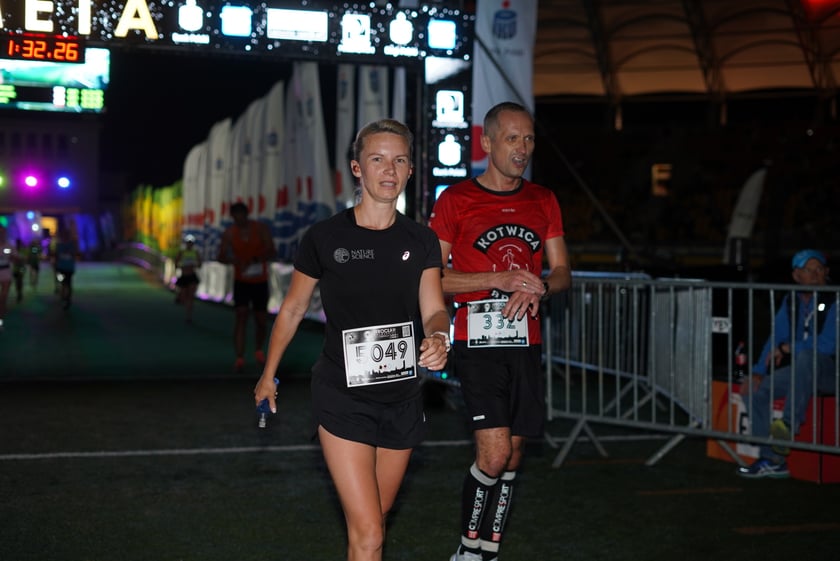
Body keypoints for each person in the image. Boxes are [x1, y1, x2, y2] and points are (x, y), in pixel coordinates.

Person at [254, 119, 450, 561]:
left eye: (399, 160)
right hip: (342, 396)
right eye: (377, 159)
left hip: (403, 397)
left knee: (372, 525)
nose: (389, 170)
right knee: (370, 533)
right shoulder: (325, 237)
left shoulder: (422, 240)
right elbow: (293, 308)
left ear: (410, 169)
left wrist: (440, 335)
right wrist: (269, 375)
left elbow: (434, 309)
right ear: (357, 168)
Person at [429, 102, 571, 561]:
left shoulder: (543, 199)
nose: (522, 148)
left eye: (528, 139)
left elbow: (563, 271)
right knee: (492, 456)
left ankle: (487, 551)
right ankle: (467, 550)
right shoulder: (455, 200)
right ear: (487, 143)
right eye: (512, 138)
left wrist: (542, 286)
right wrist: (500, 278)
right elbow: (433, 278)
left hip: (526, 342)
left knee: (512, 456)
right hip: (478, 343)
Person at [737, 249, 837, 479]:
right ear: (796, 276)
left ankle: (788, 426)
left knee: (806, 356)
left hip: (831, 372)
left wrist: (788, 348)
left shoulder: (835, 299)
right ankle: (772, 460)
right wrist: (758, 371)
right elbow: (776, 336)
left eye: (819, 269)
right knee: (754, 390)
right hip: (805, 371)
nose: (815, 275)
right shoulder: (792, 300)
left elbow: (828, 345)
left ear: (826, 272)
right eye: (808, 270)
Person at [217, 201, 276, 372]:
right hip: (241, 281)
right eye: (235, 217)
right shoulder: (229, 233)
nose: (239, 220)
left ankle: (258, 350)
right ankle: (239, 357)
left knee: (261, 320)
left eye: (241, 216)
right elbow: (221, 256)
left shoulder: (260, 229)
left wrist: (255, 259)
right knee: (241, 316)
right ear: (232, 217)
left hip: (260, 281)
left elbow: (272, 250)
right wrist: (235, 261)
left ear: (247, 214)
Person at [174, 235, 202, 323]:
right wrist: (182, 266)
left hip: (192, 276)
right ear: (186, 243)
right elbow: (176, 263)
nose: (189, 244)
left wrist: (193, 265)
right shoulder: (182, 252)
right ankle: (181, 297)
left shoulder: (195, 252)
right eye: (188, 242)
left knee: (191, 296)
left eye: (191, 242)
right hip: (184, 276)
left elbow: (200, 264)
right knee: (185, 296)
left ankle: (188, 315)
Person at [53, 227, 79, 310]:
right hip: (66, 268)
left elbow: (56, 256)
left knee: (65, 283)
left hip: (64, 268)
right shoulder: (71, 245)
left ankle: (66, 298)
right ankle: (66, 297)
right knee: (66, 283)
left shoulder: (60, 245)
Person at [0, 225, 18, 330]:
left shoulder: (9, 246)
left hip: (6, 272)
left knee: (3, 297)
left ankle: (0, 319)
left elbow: (17, 258)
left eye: (2, 232)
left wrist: (13, 257)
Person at [13, 238, 26, 303]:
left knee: (20, 280)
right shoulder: (14, 250)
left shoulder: (22, 250)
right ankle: (19, 292)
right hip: (15, 269)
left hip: (21, 268)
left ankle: (19, 293)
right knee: (17, 281)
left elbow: (25, 258)